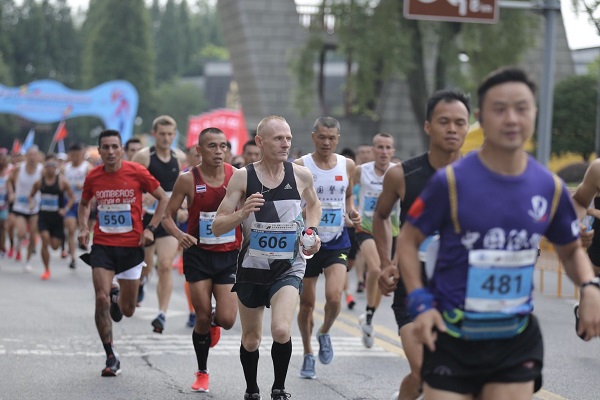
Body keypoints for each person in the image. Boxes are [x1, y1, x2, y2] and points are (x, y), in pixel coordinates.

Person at [397, 67, 600, 400]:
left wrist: (589, 287)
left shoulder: (549, 187)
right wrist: (419, 299)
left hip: (514, 339)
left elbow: (570, 248)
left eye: (522, 108)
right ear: (482, 118)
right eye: (499, 109)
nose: (511, 118)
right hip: (452, 336)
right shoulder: (450, 182)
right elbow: (408, 239)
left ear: (534, 113)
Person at [213, 115, 322, 400]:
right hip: (252, 267)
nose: (286, 143)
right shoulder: (243, 177)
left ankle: (279, 388)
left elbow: (314, 205)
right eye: (278, 138)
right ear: (260, 142)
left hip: (289, 266)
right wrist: (242, 212)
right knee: (251, 339)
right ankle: (251, 389)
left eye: (288, 138)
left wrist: (311, 231)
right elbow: (217, 225)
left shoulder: (300, 175)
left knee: (282, 329)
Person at [374, 89, 470, 400]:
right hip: (413, 291)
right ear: (428, 126)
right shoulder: (403, 174)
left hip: (462, 294)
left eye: (460, 122)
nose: (453, 129)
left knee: (431, 378)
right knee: (426, 372)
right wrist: (386, 263)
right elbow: (380, 216)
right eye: (444, 122)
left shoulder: (480, 177)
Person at [78, 129, 168, 377]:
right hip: (103, 246)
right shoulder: (94, 177)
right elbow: (84, 203)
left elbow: (163, 198)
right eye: (105, 147)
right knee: (100, 298)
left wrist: (151, 228)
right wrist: (84, 227)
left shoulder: (136, 172)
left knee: (127, 310)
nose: (110, 152)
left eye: (114, 147)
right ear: (99, 150)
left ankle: (119, 297)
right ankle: (110, 355)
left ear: (121, 149)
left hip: (131, 248)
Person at [162, 127, 241, 393]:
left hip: (229, 255)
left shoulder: (236, 176)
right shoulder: (187, 179)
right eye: (212, 146)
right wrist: (179, 235)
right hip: (198, 254)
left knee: (228, 319)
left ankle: (213, 325)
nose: (219, 152)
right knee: (203, 314)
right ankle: (202, 372)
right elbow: (167, 216)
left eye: (223, 146)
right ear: (199, 150)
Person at [294, 117, 361, 379]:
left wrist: (352, 211)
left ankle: (324, 332)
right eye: (321, 137)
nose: (326, 142)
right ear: (313, 137)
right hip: (309, 242)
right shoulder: (301, 166)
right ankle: (308, 352)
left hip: (337, 240)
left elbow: (348, 195)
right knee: (307, 305)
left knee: (334, 298)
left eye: (332, 138)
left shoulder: (348, 165)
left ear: (338, 139)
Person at [132, 115, 186, 333]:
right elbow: (130, 183)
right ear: (154, 135)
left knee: (165, 265)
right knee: (146, 265)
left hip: (168, 219)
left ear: (174, 135)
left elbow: (184, 188)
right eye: (162, 134)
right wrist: (144, 195)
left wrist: (182, 208)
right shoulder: (143, 157)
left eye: (170, 134)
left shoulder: (179, 157)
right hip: (146, 218)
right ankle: (142, 282)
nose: (166, 138)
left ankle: (162, 314)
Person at [354, 133, 398, 348]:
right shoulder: (361, 171)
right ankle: (369, 315)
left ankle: (369, 316)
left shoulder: (398, 173)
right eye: (379, 147)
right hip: (366, 226)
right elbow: (346, 194)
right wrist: (350, 211)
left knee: (384, 274)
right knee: (375, 268)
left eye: (387, 147)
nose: (383, 151)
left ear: (393, 151)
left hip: (392, 228)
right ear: (372, 150)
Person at [29, 153, 75, 280]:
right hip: (43, 216)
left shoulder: (62, 182)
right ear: (44, 166)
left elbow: (72, 197)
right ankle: (46, 269)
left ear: (57, 167)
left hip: (57, 218)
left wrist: (65, 209)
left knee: (54, 246)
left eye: (53, 165)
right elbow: (31, 195)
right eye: (48, 165)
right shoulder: (40, 182)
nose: (50, 168)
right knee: (44, 238)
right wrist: (32, 203)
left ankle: (60, 240)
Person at [7, 146, 43, 271]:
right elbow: (8, 181)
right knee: (21, 232)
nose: (32, 157)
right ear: (27, 156)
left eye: (35, 155)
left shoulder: (41, 170)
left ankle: (28, 261)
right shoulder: (19, 168)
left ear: (38, 157)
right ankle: (18, 244)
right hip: (20, 206)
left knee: (33, 236)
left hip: (35, 207)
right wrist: (11, 193)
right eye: (30, 155)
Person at [63, 142, 93, 269]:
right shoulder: (65, 168)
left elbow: (94, 184)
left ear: (82, 154)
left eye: (78, 154)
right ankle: (73, 257)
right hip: (70, 202)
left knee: (84, 227)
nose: (75, 157)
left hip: (84, 203)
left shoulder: (88, 167)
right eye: (73, 155)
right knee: (70, 229)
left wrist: (85, 186)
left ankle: (83, 242)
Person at [0, 148, 11, 257]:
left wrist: (11, 195)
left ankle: (3, 247)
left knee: (3, 226)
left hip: (4, 204)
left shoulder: (9, 173)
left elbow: (11, 187)